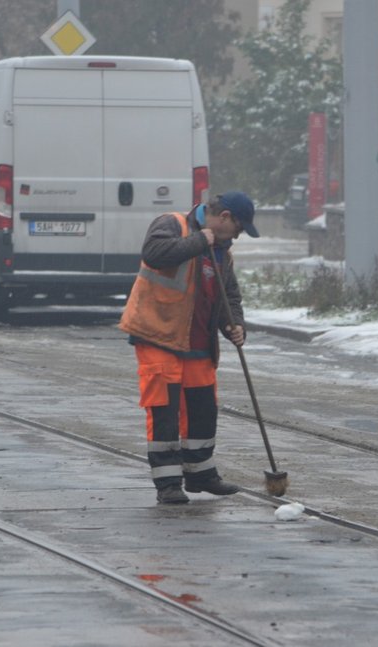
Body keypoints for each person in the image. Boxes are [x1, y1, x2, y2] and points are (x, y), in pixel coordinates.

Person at [119, 191, 260, 504]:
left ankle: (200, 474)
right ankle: (168, 483)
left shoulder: (223, 252)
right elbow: (154, 253)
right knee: (164, 409)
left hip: (197, 341)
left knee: (203, 408)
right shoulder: (171, 224)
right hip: (158, 333)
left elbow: (229, 296)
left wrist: (234, 325)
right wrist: (200, 241)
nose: (237, 236)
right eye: (238, 228)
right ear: (224, 218)